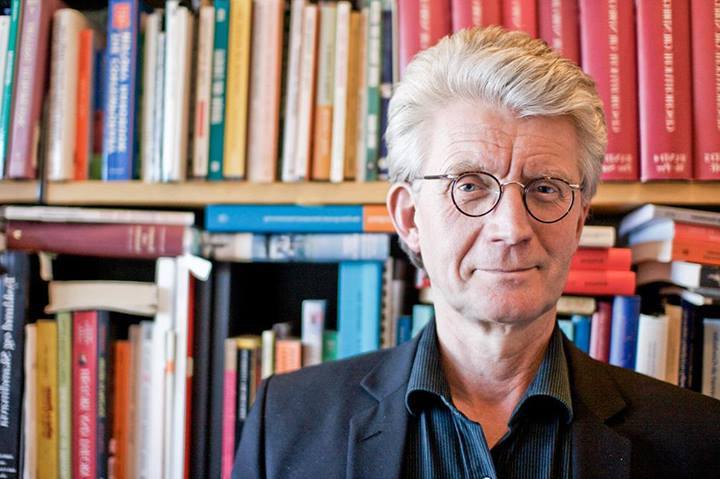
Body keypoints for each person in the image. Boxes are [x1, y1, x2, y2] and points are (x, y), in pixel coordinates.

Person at [233, 26, 720, 478]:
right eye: (469, 185)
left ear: (578, 221)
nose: (512, 229)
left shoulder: (697, 440)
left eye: (545, 188)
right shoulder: (287, 425)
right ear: (410, 218)